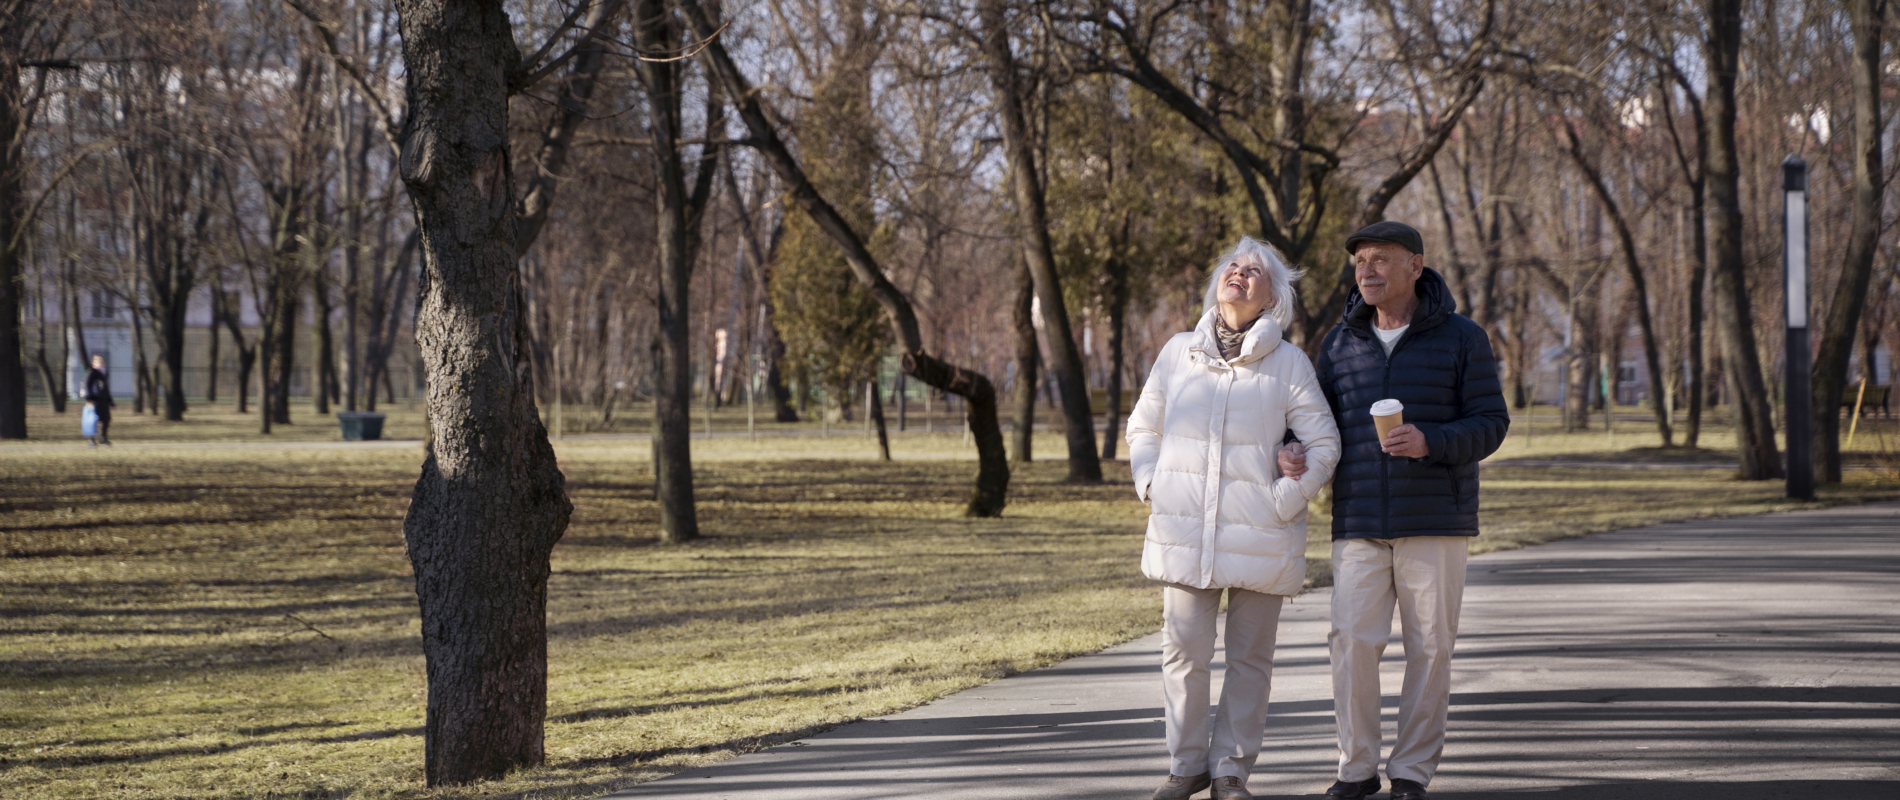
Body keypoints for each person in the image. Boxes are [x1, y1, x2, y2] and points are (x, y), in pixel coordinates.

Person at [1279, 221, 1508, 800]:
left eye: (1382, 259)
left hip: (1435, 518)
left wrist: (1431, 440)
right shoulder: (1338, 343)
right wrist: (1292, 446)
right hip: (1357, 518)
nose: (1368, 270)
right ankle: (1355, 769)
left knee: (1430, 648)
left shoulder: (1462, 337)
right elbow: (1312, 421)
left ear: (1416, 265)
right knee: (1351, 641)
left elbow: (1491, 422)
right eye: (1360, 262)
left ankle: (1410, 772)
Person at [1127, 237, 1340, 800]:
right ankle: (1186, 766)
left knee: (1250, 661)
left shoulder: (1289, 363)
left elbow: (1324, 444)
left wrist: (1287, 499)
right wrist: (1151, 481)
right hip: (1184, 531)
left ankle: (1230, 773)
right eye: (1233, 266)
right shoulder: (1178, 352)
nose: (1239, 274)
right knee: (1182, 654)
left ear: (1274, 297)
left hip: (1262, 531)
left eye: (1254, 271)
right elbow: (1143, 426)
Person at [82, 353, 113, 447]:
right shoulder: (91, 372)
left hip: (103, 400)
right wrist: (88, 398)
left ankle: (103, 437)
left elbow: (105, 388)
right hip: (94, 400)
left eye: (102, 361)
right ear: (94, 363)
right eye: (98, 361)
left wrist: (110, 400)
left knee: (106, 419)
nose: (101, 363)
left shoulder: (103, 373)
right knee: (92, 420)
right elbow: (87, 385)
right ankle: (91, 440)